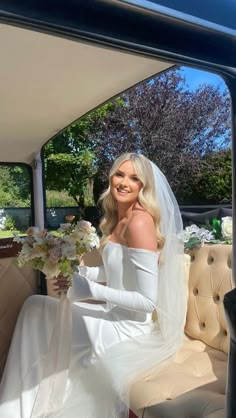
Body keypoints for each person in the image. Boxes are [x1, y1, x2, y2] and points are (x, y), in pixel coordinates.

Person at [0, 153, 186, 418]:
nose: (124, 182)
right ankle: (17, 407)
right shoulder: (117, 219)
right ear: (111, 177)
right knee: (35, 308)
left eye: (134, 178)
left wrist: (92, 291)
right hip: (110, 316)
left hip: (129, 329)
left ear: (144, 187)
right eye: (119, 174)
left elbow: (148, 300)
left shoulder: (140, 221)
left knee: (37, 313)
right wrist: (82, 272)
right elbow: (116, 271)